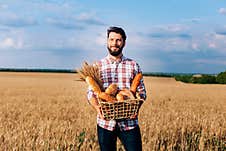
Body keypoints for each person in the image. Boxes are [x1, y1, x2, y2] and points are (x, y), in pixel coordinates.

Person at [87, 26, 146, 151]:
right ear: (107, 41)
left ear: (124, 42)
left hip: (129, 123)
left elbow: (142, 92)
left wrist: (136, 108)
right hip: (105, 124)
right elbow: (91, 94)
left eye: (118, 40)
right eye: (112, 39)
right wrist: (98, 109)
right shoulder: (98, 66)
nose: (115, 43)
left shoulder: (133, 65)